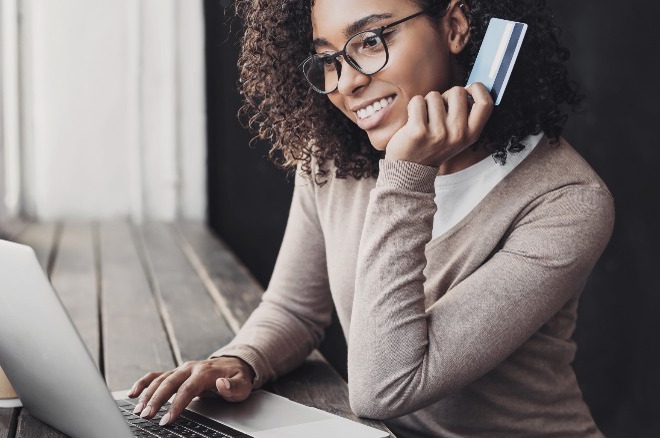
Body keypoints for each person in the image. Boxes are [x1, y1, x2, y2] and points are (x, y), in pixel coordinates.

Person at [127, 0, 614, 435]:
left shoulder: (566, 201)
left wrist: (407, 173)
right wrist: (239, 360)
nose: (349, 81)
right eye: (328, 59)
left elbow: (385, 387)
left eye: (371, 40)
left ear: (456, 26)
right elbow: (295, 310)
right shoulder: (333, 161)